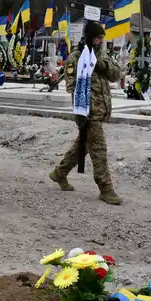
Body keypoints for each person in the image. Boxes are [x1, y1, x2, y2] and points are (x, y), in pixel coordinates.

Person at [50, 20, 123, 205]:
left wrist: (103, 66)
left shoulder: (102, 53)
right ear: (90, 37)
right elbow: (72, 86)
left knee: (82, 147)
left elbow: (116, 74)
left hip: (101, 109)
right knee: (99, 149)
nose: (100, 41)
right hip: (88, 112)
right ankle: (106, 188)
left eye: (102, 38)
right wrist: (80, 113)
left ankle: (60, 173)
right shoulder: (76, 56)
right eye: (98, 38)